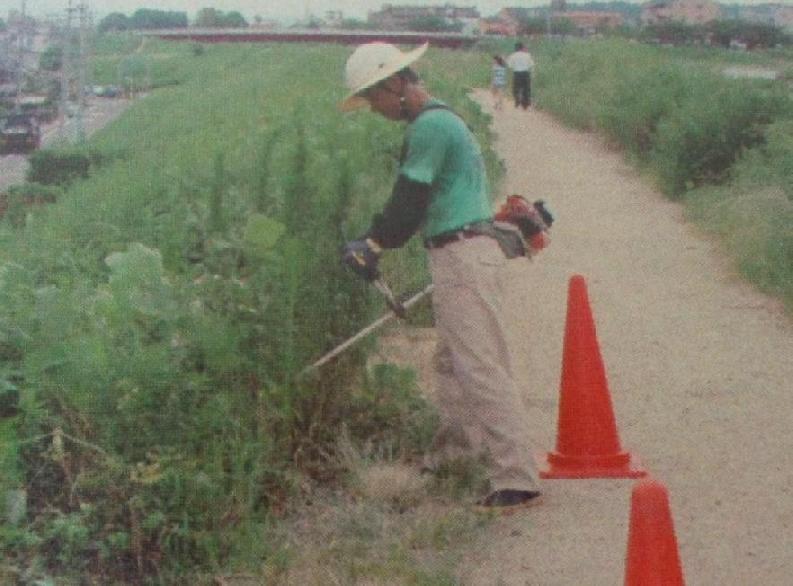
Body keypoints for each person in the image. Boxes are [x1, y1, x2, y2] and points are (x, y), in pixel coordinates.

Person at [339, 42, 541, 512]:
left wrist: (372, 244)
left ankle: (516, 475)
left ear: (395, 82)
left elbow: (408, 203)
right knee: (452, 363)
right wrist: (375, 241)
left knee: (480, 364)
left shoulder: (430, 126)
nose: (375, 109)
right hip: (459, 252)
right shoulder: (440, 121)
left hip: (463, 253)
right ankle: (455, 454)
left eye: (374, 97)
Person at [506, 42, 534, 109]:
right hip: (525, 73)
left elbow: (510, 66)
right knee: (526, 89)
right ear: (522, 48)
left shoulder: (512, 55)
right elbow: (531, 65)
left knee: (516, 88)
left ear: (515, 48)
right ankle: (525, 104)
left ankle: (517, 102)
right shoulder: (527, 55)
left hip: (517, 74)